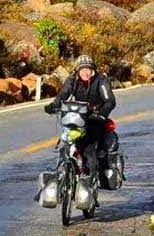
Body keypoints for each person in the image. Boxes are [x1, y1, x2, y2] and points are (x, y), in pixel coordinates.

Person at [45, 54, 119, 188]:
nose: (86, 72)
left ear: (93, 70)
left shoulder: (101, 80)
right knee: (66, 142)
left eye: (89, 69)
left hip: (95, 119)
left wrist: (102, 114)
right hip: (77, 118)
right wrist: (53, 106)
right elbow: (62, 95)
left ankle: (90, 177)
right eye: (82, 69)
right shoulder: (72, 80)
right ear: (77, 71)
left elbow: (110, 101)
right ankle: (61, 171)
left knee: (89, 147)